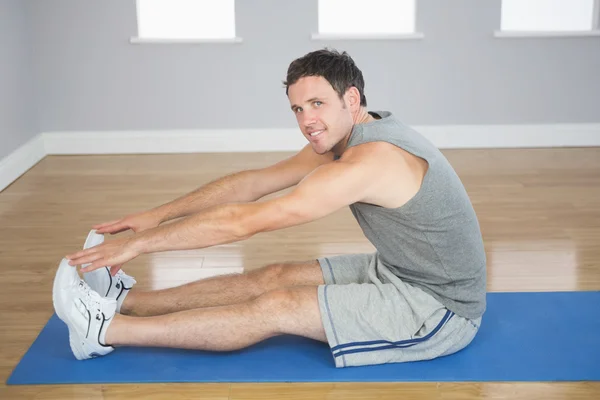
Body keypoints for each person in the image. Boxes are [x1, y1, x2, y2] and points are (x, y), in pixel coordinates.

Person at [54, 48, 487, 368]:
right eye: (298, 108)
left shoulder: (369, 162)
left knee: (276, 306)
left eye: (317, 104)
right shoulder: (345, 136)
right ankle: (128, 301)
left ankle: (105, 331)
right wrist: (159, 214)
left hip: (438, 308)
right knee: (272, 276)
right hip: (398, 271)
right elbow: (255, 183)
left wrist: (138, 246)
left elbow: (248, 221)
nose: (306, 120)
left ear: (351, 100)